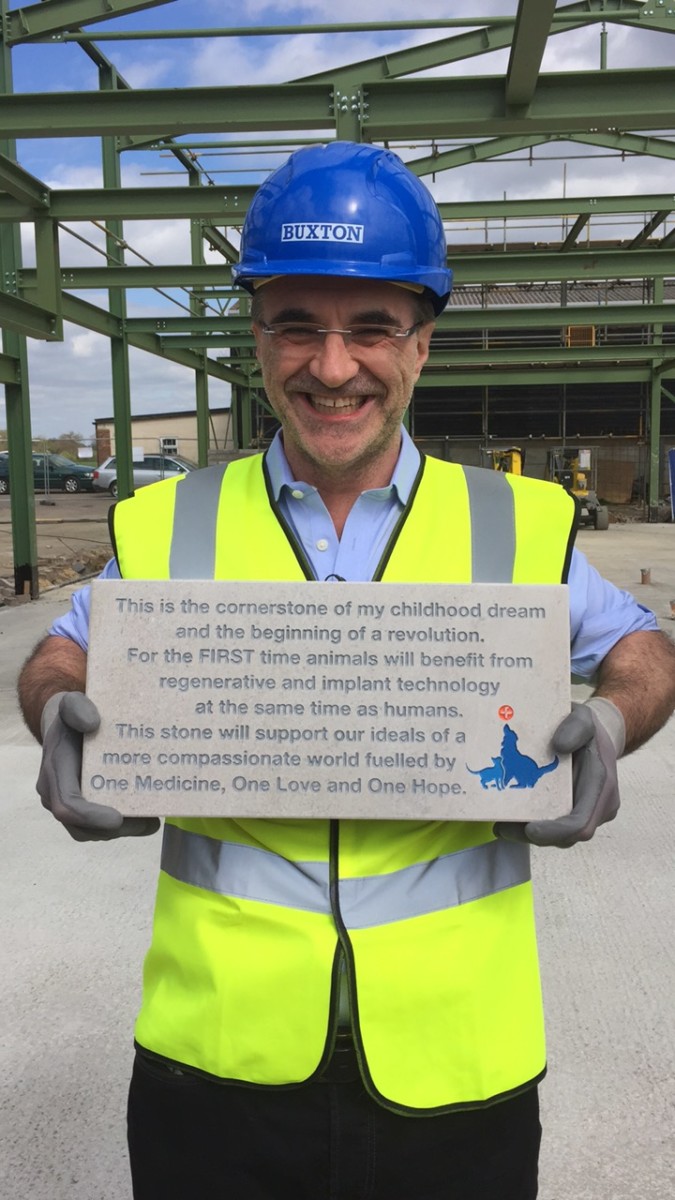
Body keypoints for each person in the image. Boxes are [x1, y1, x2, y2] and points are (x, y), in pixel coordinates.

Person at [18, 141, 675, 1200]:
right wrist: (54, 712)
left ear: (421, 342)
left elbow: (643, 646)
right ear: (258, 333)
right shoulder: (170, 523)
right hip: (216, 1060)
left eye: (372, 327)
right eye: (298, 327)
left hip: (457, 1064)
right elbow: (62, 649)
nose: (333, 368)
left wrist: (610, 724)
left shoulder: (517, 524)